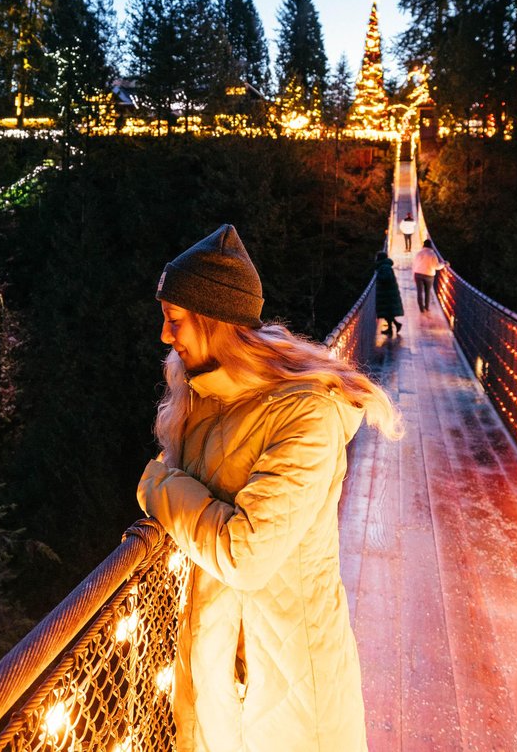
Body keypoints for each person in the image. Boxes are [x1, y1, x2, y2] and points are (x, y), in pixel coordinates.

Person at [137, 225, 401, 752]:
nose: (166, 336)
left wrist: (155, 484)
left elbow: (245, 554)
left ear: (214, 321)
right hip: (223, 674)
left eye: (174, 320)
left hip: (294, 689)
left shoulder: (307, 414)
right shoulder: (205, 393)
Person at [410, 238, 447, 313]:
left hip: (418, 274)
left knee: (419, 292)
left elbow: (414, 264)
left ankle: (421, 309)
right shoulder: (432, 254)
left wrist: (413, 274)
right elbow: (437, 266)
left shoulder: (419, 253)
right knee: (427, 292)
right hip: (429, 275)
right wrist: (444, 264)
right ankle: (426, 307)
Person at [373, 249, 403, 334]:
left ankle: (394, 327)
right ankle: (393, 326)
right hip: (387, 292)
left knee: (387, 311)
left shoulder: (384, 267)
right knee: (388, 312)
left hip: (387, 293)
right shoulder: (385, 266)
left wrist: (378, 277)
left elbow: (387, 278)